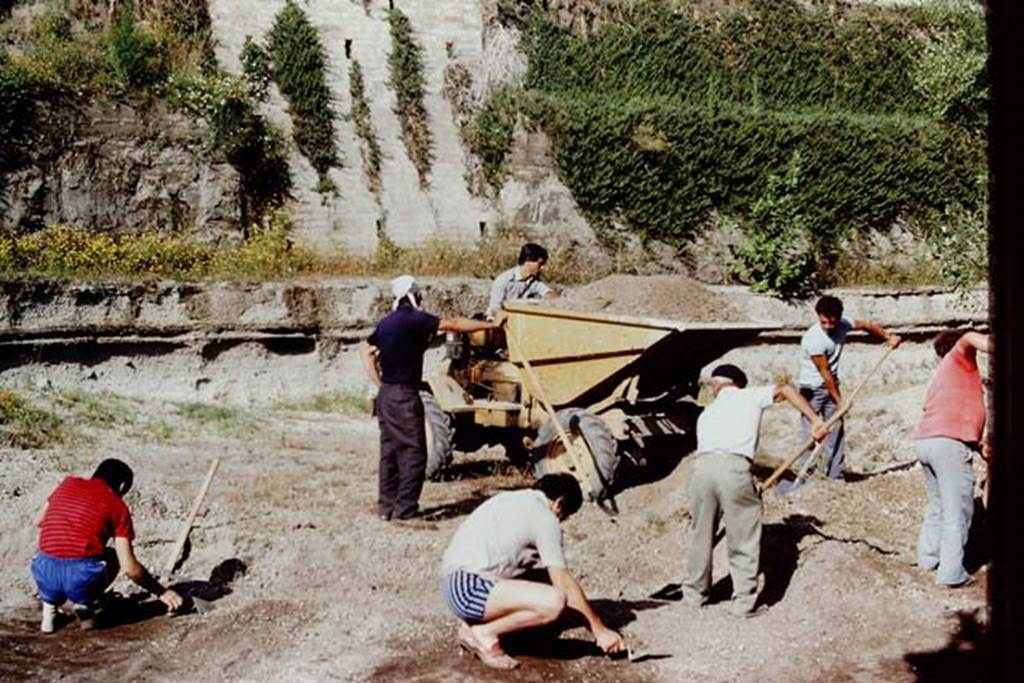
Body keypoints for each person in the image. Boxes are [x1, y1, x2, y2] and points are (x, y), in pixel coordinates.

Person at [682, 364, 827, 617]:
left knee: (700, 535)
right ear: (739, 383)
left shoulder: (708, 412)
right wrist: (815, 421)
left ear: (717, 386)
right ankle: (743, 604)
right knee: (743, 537)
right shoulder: (748, 395)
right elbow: (786, 389)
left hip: (701, 471)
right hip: (734, 469)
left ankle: (694, 595)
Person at [439, 473, 625, 670]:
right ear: (559, 504)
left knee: (547, 582)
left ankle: (476, 622)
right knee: (554, 602)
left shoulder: (513, 499)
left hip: (456, 585)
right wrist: (599, 630)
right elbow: (562, 581)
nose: (561, 522)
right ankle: (484, 633)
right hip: (469, 588)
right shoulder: (545, 517)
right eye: (565, 516)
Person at [362, 275, 506, 521]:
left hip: (386, 394)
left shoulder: (386, 323)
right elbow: (453, 324)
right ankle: (406, 510)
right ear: (414, 295)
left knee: (390, 452)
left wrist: (380, 382)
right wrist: (492, 325)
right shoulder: (415, 319)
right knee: (415, 452)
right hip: (405, 394)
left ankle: (386, 508)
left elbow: (367, 351)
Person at [31, 459, 184, 633]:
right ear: (122, 486)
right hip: (80, 576)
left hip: (43, 571)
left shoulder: (67, 484)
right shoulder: (117, 505)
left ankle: (49, 609)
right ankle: (84, 603)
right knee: (111, 556)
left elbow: (38, 521)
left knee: (48, 549)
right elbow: (129, 568)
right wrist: (161, 592)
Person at [784, 295, 902, 487]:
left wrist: (888, 337)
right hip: (811, 391)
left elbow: (865, 326)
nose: (829, 327)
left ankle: (835, 477)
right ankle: (802, 480)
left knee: (837, 431)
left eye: (832, 322)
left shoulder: (844, 324)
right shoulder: (813, 339)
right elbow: (825, 373)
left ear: (839, 318)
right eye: (824, 322)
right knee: (811, 434)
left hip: (831, 386)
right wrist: (839, 401)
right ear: (818, 317)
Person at [914, 328, 992, 587]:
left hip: (928, 442)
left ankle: (927, 558)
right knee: (957, 510)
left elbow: (953, 411)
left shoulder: (942, 377)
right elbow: (969, 337)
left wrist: (976, 444)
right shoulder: (959, 358)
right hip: (948, 444)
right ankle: (951, 573)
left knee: (938, 505)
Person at [485, 242, 559, 319]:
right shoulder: (504, 280)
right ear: (528, 262)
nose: (542, 268)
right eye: (540, 264)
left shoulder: (533, 281)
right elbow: (495, 308)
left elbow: (549, 293)